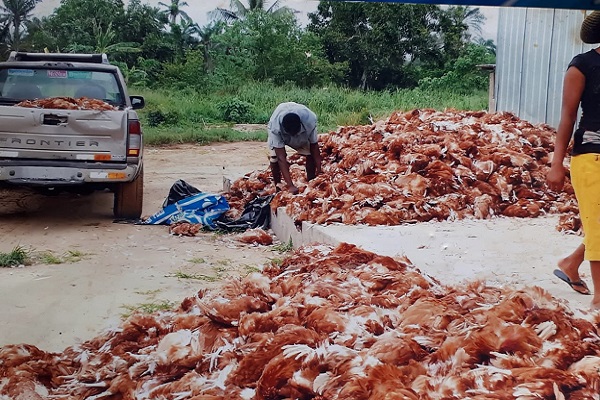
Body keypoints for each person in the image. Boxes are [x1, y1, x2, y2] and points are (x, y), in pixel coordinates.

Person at [547, 11, 600, 307]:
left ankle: (570, 264)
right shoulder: (582, 66)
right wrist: (557, 164)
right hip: (592, 157)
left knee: (599, 226)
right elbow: (567, 117)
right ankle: (599, 301)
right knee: (598, 226)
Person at [267, 102, 322, 194]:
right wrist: (290, 185)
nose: (294, 136)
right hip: (281, 129)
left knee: (309, 153)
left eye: (295, 132)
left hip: (302, 131)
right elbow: (281, 158)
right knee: (274, 157)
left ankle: (311, 181)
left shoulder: (309, 120)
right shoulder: (275, 128)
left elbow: (314, 146)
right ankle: (278, 185)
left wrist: (319, 168)